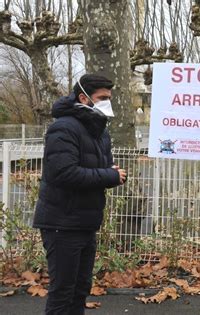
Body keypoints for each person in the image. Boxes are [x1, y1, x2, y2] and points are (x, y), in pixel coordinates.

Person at [33, 74, 127, 315]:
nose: (107, 103)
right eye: (102, 98)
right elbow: (64, 173)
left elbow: (99, 167)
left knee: (80, 289)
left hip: (85, 222)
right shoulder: (63, 128)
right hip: (62, 223)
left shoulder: (99, 131)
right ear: (84, 98)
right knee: (63, 292)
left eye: (109, 98)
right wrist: (109, 175)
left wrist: (110, 172)